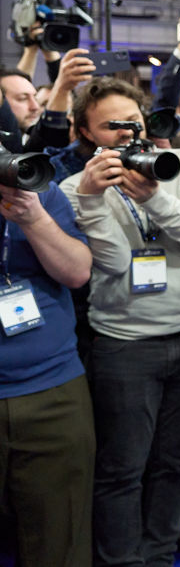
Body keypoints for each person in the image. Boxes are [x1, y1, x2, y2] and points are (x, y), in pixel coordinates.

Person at [60, 78, 180, 566]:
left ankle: (158, 557)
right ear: (87, 134)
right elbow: (110, 262)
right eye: (111, 125)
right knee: (122, 469)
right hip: (125, 346)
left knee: (178, 464)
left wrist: (154, 197)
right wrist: (93, 199)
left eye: (132, 121)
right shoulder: (75, 188)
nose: (126, 132)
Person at [0, 162, 94, 565]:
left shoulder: (36, 189)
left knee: (60, 537)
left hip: (52, 388)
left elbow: (76, 272)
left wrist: (33, 217)